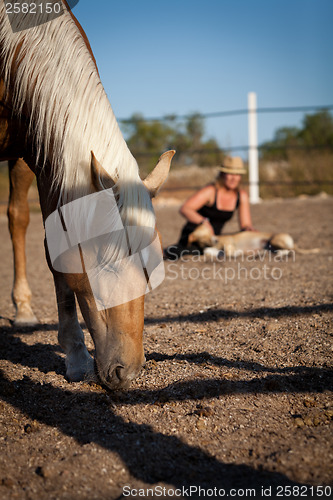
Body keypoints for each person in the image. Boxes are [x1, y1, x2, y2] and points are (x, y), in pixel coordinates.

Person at [164, 156, 254, 260]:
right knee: (193, 251)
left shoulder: (241, 195)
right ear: (222, 174)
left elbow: (245, 224)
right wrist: (204, 222)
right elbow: (185, 208)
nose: (234, 178)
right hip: (195, 235)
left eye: (237, 174)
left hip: (214, 238)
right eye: (230, 174)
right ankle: (164, 252)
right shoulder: (210, 191)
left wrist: (249, 230)